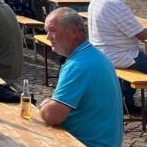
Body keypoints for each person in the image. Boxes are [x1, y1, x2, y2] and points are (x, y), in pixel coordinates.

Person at [40, 8, 123, 146]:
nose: (48, 37)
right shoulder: (94, 54)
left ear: (74, 33)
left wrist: (45, 104)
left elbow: (53, 116)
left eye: (53, 30)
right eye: (46, 31)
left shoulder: (78, 65)